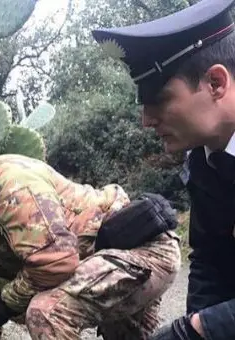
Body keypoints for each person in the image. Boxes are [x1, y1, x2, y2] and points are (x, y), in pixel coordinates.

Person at [0, 140, 180, 339]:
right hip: (97, 272)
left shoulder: (5, 181)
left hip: (140, 252)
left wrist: (4, 303)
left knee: (47, 312)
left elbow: (55, 262)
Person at [92, 0, 235, 339]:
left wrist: (197, 330)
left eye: (160, 99)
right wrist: (197, 323)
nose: (146, 120)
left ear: (216, 83)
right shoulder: (204, 162)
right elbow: (209, 259)